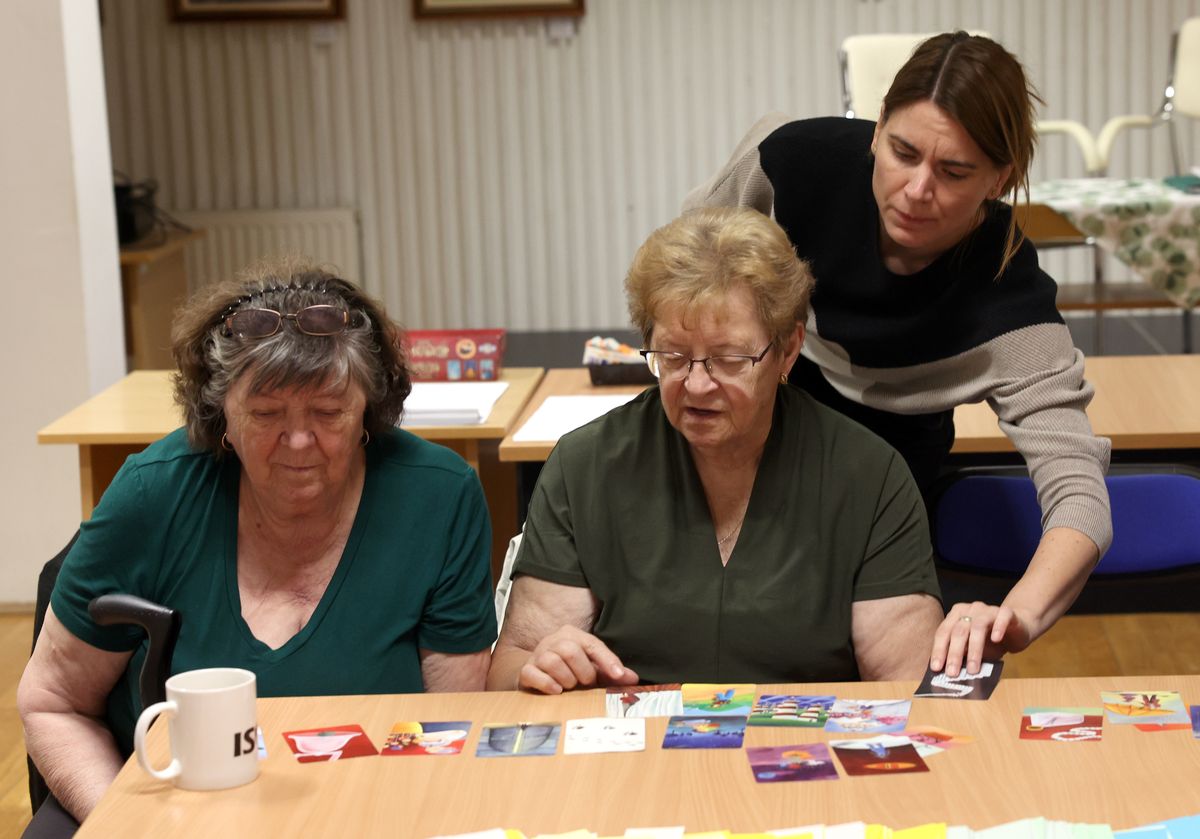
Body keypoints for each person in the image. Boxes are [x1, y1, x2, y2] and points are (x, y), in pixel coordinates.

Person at [682, 31, 1112, 678]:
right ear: (877, 129)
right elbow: (680, 274)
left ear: (1001, 178)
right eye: (902, 152)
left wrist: (1014, 614)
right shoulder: (794, 160)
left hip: (892, 475)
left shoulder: (1009, 300)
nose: (915, 189)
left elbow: (1078, 493)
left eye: (954, 171)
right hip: (760, 426)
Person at [18, 259, 497, 823]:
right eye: (266, 414)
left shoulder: (438, 496)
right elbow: (53, 704)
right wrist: (124, 825)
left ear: (369, 408)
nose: (298, 441)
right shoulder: (155, 492)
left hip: (370, 806)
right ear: (221, 412)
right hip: (170, 810)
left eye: (328, 412)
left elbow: (453, 724)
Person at [487, 206, 943, 694]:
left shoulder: (867, 475)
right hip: (637, 755)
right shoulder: (587, 467)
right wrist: (540, 669)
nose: (697, 384)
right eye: (673, 356)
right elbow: (510, 670)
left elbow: (909, 685)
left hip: (803, 750)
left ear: (788, 349)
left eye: (728, 359)